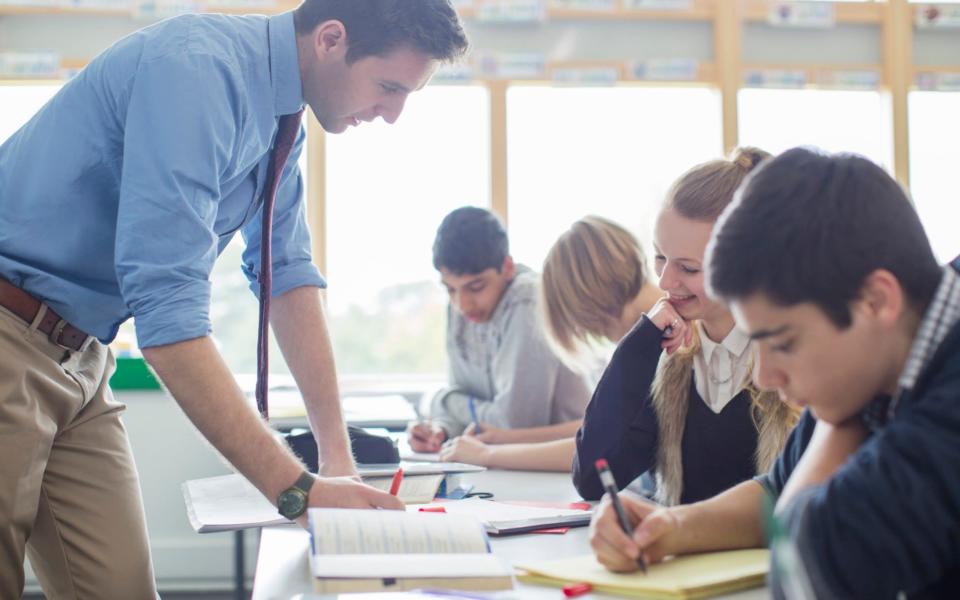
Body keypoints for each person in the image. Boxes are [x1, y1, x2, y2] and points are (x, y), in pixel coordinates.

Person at [0, 1, 468, 596]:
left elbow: (287, 275)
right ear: (330, 39)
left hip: (80, 356)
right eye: (388, 86)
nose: (394, 114)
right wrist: (296, 491)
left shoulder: (281, 118)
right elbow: (168, 319)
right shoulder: (198, 72)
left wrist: (336, 460)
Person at [589, 147, 960, 599]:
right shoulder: (885, 347)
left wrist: (835, 420)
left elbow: (807, 570)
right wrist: (672, 527)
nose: (764, 376)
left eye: (782, 342)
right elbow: (779, 489)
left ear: (876, 301)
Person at [573, 148, 799, 507]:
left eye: (688, 269)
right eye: (660, 257)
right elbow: (593, 477)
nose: (664, 281)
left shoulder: (796, 360)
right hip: (682, 557)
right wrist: (638, 347)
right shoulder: (669, 355)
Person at [439, 215, 661, 470]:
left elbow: (596, 448)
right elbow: (597, 430)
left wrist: (488, 453)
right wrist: (502, 441)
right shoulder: (644, 340)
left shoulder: (659, 343)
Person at [407, 207, 592, 453]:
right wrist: (441, 430)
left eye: (476, 287)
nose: (462, 305)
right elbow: (469, 400)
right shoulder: (462, 305)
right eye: (450, 289)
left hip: (562, 467)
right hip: (504, 462)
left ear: (507, 267)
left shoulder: (530, 300)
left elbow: (513, 423)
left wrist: (441, 400)